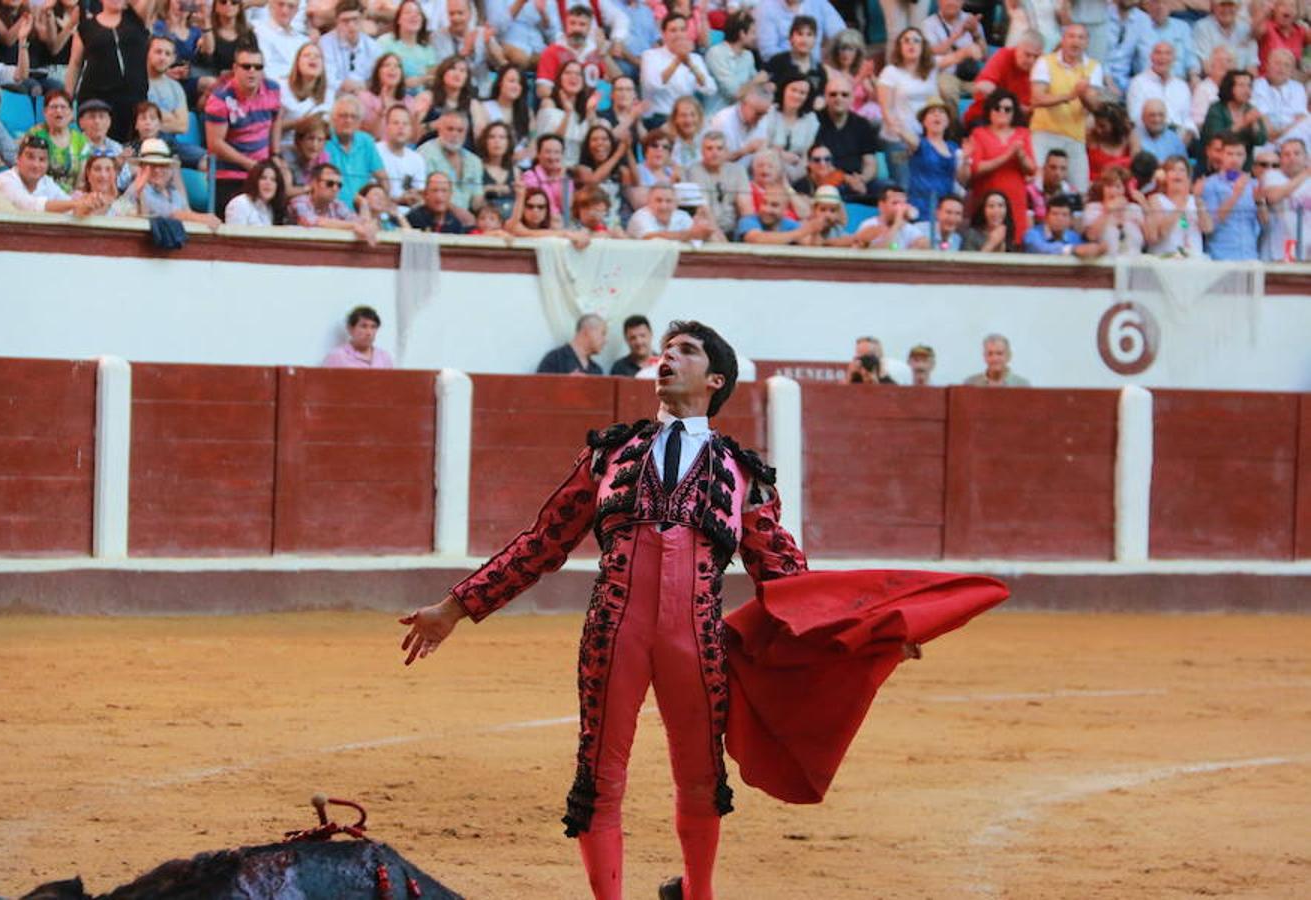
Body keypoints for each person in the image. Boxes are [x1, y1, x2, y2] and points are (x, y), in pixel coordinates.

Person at [401, 319, 1003, 900]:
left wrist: (871, 633)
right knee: (599, 780)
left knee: (700, 780)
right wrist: (455, 607)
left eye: (685, 350)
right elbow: (541, 543)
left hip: (698, 640)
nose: (668, 357)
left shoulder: (742, 474)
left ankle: (699, 894)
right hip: (614, 633)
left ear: (716, 379)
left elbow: (788, 581)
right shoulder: (610, 453)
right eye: (665, 349)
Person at [204, 41, 282, 216]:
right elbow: (215, 144)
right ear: (235, 68)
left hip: (262, 174)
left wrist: (275, 153)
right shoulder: (220, 99)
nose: (252, 71)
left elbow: (277, 119)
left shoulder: (273, 89)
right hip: (228, 176)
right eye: (246, 66)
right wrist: (250, 165)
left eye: (258, 66)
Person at [1029, 23, 1103, 199]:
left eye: (1080, 37)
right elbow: (1037, 99)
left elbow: (1095, 106)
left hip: (1075, 137)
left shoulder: (1094, 67)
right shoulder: (1045, 62)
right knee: (1036, 187)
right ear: (1063, 40)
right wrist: (1070, 95)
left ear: (1087, 43)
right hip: (1043, 132)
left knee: (1080, 192)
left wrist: (1083, 95)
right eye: (1071, 36)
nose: (1075, 42)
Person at [64, 0, 153, 141]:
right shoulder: (86, 27)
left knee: (131, 146)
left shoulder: (136, 18)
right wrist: (67, 100)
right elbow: (75, 64)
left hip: (134, 97)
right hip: (97, 98)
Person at [877, 27, 942, 190]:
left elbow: (935, 104)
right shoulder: (890, 72)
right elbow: (887, 111)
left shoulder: (929, 71)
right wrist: (905, 138)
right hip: (897, 141)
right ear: (899, 46)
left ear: (923, 46)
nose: (911, 44)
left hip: (924, 138)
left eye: (916, 40)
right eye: (906, 40)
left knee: (926, 183)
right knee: (903, 184)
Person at [109, 137, 222, 229]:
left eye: (163, 165)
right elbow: (169, 213)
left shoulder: (173, 192)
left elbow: (184, 212)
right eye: (152, 166)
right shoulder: (139, 188)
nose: (158, 170)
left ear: (170, 168)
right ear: (142, 169)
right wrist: (202, 218)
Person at [967, 88, 1035, 239]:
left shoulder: (1023, 133)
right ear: (989, 111)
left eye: (1007, 109)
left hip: (1015, 196)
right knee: (984, 239)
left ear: (1014, 112)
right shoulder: (979, 133)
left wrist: (1021, 155)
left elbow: (1031, 169)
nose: (1002, 112)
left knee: (1015, 240)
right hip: (987, 196)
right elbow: (976, 168)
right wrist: (1007, 155)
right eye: (997, 108)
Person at [0, 132, 99, 214]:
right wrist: (76, 204)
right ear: (17, 159)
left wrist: (89, 203)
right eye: (30, 157)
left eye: (42, 159)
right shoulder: (3, 180)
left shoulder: (47, 182)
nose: (36, 165)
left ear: (48, 164)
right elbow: (29, 206)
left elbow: (70, 209)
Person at [639, 14, 714, 125]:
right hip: (659, 118)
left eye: (682, 30)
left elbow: (710, 88)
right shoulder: (650, 56)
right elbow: (652, 85)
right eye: (673, 30)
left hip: (686, 118)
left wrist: (691, 65)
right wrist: (677, 61)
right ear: (663, 34)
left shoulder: (695, 58)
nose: (679, 35)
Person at [814, 76, 880, 202]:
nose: (839, 98)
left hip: (858, 180)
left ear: (852, 98)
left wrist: (862, 179)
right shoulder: (814, 121)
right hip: (829, 180)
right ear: (825, 98)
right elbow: (817, 163)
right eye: (833, 94)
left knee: (888, 189)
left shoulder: (862, 124)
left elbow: (870, 162)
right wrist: (848, 180)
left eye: (844, 94)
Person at [144, 35, 206, 168]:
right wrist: (169, 116)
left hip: (171, 144)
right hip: (141, 143)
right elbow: (139, 123)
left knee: (208, 160)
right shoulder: (138, 82)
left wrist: (154, 116)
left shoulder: (175, 87)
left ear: (173, 59)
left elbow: (182, 127)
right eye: (158, 52)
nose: (162, 57)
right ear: (147, 53)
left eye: (167, 54)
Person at [1201, 131, 1262, 261]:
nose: (1234, 159)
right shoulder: (1210, 184)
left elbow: (1265, 223)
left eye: (1239, 154)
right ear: (1222, 156)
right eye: (1230, 154)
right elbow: (1212, 224)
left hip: (1249, 254)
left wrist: (1260, 203)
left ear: (1245, 157)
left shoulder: (1254, 184)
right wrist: (1235, 195)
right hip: (1220, 255)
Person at [963, 30, 1041, 129]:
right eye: (1027, 55)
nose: (1031, 61)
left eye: (1036, 56)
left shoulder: (1042, 66)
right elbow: (982, 85)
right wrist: (1016, 106)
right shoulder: (1004, 56)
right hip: (987, 116)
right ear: (1017, 48)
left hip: (1019, 122)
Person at [288, 160, 380, 244]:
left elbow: (361, 223)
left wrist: (364, 204)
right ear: (314, 183)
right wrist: (353, 226)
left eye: (339, 185)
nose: (335, 188)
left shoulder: (337, 205)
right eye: (330, 183)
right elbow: (314, 222)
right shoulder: (299, 202)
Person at [906, 99, 964, 223]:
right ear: (923, 121)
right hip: (920, 206)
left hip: (945, 208)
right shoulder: (918, 143)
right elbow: (902, 133)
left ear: (948, 122)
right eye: (932, 112)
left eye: (941, 112)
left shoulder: (954, 147)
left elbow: (962, 179)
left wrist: (966, 161)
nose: (937, 114)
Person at [1125, 42, 1195, 145]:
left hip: (1179, 141)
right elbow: (1135, 119)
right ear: (1151, 57)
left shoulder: (1182, 86)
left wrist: (1179, 145)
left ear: (1174, 59)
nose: (1163, 57)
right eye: (1158, 53)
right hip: (1148, 140)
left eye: (1167, 53)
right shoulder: (1138, 83)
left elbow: (1188, 121)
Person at [687, 130, 753, 237]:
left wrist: (749, 232)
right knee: (703, 223)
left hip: (734, 229)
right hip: (709, 228)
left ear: (726, 151)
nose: (714, 153)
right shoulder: (695, 171)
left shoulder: (738, 171)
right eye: (709, 148)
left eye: (719, 148)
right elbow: (704, 209)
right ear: (702, 152)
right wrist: (722, 241)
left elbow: (746, 209)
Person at [326, 94, 388, 206]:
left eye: (353, 117)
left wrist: (381, 205)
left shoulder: (366, 141)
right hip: (333, 211)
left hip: (362, 211)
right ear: (333, 119)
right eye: (343, 116)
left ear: (360, 122)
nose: (348, 120)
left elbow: (383, 179)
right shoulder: (325, 140)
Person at [1199, 71, 1268, 170]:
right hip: (1217, 166)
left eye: (1249, 86)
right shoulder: (1216, 109)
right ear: (1230, 87)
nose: (1246, 90)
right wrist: (1243, 123)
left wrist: (1254, 124)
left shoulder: (1250, 109)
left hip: (1244, 167)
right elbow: (1215, 137)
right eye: (1241, 85)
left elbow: (1261, 140)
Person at [920, 0, 986, 102]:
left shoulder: (971, 20)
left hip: (971, 76)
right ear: (938, 1)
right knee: (947, 89)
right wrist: (956, 36)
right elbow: (930, 52)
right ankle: (952, 118)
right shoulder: (928, 24)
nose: (951, 2)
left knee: (989, 91)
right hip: (945, 74)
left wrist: (975, 34)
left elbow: (984, 56)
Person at [1145, 155, 1209, 258]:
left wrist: (1198, 202)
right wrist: (1180, 205)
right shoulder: (1156, 199)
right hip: (1165, 258)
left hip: (1193, 260)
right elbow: (1162, 232)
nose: (1177, 173)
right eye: (1172, 170)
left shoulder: (1195, 200)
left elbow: (1207, 228)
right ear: (1165, 176)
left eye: (1182, 170)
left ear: (1188, 177)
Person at [25, 89, 84, 192]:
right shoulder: (36, 134)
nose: (58, 111)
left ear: (71, 113)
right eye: (53, 107)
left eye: (63, 107)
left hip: (70, 198)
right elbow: (26, 169)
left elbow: (81, 180)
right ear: (45, 112)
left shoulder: (80, 140)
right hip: (38, 195)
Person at [763, 16, 826, 113]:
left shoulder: (820, 70)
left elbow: (821, 98)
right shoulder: (777, 61)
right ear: (791, 38)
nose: (804, 40)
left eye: (809, 35)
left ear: (815, 40)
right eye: (800, 34)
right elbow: (760, 87)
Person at [1261, 138, 1309, 262]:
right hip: (1282, 247)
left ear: (1306, 157)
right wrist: (1306, 174)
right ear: (1280, 159)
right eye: (1287, 154)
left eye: (1297, 153)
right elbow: (1273, 196)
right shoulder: (1272, 175)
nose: (1292, 158)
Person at [1082, 164, 1146, 256]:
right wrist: (1107, 211)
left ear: (1124, 189)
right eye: (1108, 186)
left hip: (1134, 264)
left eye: (1117, 186)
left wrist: (1145, 205)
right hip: (1105, 266)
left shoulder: (1134, 209)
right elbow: (1091, 236)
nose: (1112, 191)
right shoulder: (1093, 208)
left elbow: (1151, 238)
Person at [706, 79, 773, 164]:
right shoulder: (723, 121)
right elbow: (713, 160)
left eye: (764, 113)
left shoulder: (763, 119)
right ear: (744, 104)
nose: (761, 118)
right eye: (758, 113)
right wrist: (744, 151)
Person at [704, 9, 757, 115]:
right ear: (742, 34)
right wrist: (756, 81)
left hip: (741, 116)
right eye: (753, 33)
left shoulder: (748, 56)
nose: (755, 37)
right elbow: (734, 93)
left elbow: (756, 89)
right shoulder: (716, 53)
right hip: (716, 117)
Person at [755, 0, 844, 63]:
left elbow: (842, 35)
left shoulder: (819, 3)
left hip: (816, 66)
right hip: (782, 70)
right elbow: (767, 52)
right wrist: (800, 61)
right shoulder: (766, 6)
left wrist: (826, 56)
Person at [377, 0, 437, 93]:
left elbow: (431, 79)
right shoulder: (384, 42)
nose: (413, 16)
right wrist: (406, 83)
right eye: (408, 12)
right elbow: (375, 77)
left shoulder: (427, 49)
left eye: (418, 13)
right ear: (398, 19)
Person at [320, 0, 379, 94]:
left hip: (364, 96)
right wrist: (344, 85)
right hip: (334, 96)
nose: (351, 25)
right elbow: (328, 80)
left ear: (362, 19)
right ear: (337, 22)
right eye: (345, 21)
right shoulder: (324, 44)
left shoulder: (373, 46)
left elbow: (376, 80)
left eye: (355, 19)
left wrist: (362, 87)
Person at [378, 105, 427, 213]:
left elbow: (420, 191)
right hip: (380, 212)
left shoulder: (417, 159)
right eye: (396, 123)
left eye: (405, 124)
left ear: (411, 129)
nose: (401, 127)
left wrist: (413, 196)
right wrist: (398, 200)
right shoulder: (374, 152)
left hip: (410, 216)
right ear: (386, 127)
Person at [1251, 49, 1308, 145]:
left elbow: (1301, 118)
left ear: (1292, 71)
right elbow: (1266, 127)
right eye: (1277, 63)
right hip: (1267, 140)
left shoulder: (1298, 87)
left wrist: (1283, 133)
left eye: (1287, 65)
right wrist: (1279, 135)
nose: (1281, 68)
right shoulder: (1256, 86)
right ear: (1267, 66)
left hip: (1296, 136)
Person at [1022, 193, 1106, 257]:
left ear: (1071, 220)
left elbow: (1087, 248)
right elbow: (1040, 248)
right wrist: (1073, 250)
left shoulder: (1074, 237)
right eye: (1055, 214)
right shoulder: (1033, 234)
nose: (1059, 219)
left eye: (1064, 215)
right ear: (1046, 217)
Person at [628, 182, 715, 241]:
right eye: (658, 200)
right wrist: (690, 235)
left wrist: (705, 232)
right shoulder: (640, 217)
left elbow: (697, 235)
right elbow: (650, 237)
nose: (663, 206)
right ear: (648, 202)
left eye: (668, 201)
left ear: (675, 204)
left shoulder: (682, 216)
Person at [853, 185, 930, 250]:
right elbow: (882, 252)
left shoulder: (908, 228)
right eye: (895, 203)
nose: (900, 208)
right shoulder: (869, 224)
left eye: (903, 203)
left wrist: (919, 245)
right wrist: (896, 225)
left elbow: (925, 245)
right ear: (881, 205)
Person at [1192, 0, 1257, 75]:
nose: (1226, 9)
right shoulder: (1202, 27)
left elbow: (1252, 67)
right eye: (1222, 5)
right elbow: (1207, 67)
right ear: (1213, 7)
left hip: (1242, 82)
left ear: (1238, 7)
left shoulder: (1246, 29)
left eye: (1231, 5)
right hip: (1215, 81)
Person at [323, 305, 395, 368]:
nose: (369, 332)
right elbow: (324, 382)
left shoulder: (384, 357)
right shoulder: (337, 356)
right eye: (364, 326)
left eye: (373, 327)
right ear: (350, 329)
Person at [522, 132, 574, 218]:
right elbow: (539, 207)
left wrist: (561, 178)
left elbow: (566, 207)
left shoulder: (565, 178)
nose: (552, 157)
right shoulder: (529, 176)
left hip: (562, 224)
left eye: (557, 152)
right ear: (538, 154)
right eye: (548, 152)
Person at [536, 313, 607, 375]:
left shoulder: (597, 370)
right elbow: (539, 389)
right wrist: (566, 383)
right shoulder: (555, 359)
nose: (605, 341)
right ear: (586, 331)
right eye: (603, 333)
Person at [224, 156, 288, 226]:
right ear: (254, 181)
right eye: (263, 178)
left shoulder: (269, 208)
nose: (268, 183)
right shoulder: (240, 203)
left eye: (273, 180)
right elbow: (234, 235)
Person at [254, 0, 307, 82]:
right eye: (280, 4)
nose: (285, 11)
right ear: (271, 4)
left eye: (291, 6)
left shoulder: (303, 41)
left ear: (296, 10)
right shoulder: (257, 30)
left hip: (298, 90)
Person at [963, 333, 1030, 387]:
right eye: (990, 354)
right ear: (984, 356)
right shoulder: (970, 384)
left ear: (1009, 356)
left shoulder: (1022, 385)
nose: (994, 359)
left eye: (999, 353)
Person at [1133, 98, 1188, 162]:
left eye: (1161, 115)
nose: (1157, 120)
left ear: (1166, 117)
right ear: (1142, 118)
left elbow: (1184, 165)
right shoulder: (1135, 136)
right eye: (1152, 115)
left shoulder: (1174, 139)